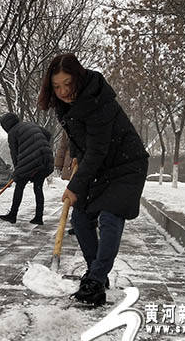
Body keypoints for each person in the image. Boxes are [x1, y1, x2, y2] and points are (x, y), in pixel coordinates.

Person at [38, 53, 149, 307]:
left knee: (110, 216)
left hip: (126, 165)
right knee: (80, 217)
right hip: (99, 166)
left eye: (68, 83)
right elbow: (79, 138)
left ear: (78, 77)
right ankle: (96, 274)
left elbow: (98, 149)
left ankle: (95, 280)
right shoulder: (64, 105)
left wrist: (75, 186)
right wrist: (76, 157)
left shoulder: (100, 100)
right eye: (56, 86)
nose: (63, 91)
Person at [0, 113, 54, 225]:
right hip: (46, 158)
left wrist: (17, 171)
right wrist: (41, 145)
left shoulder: (12, 132)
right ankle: (39, 217)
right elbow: (48, 134)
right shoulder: (31, 125)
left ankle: (12, 215)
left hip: (31, 160)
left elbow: (14, 153)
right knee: (38, 188)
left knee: (19, 186)